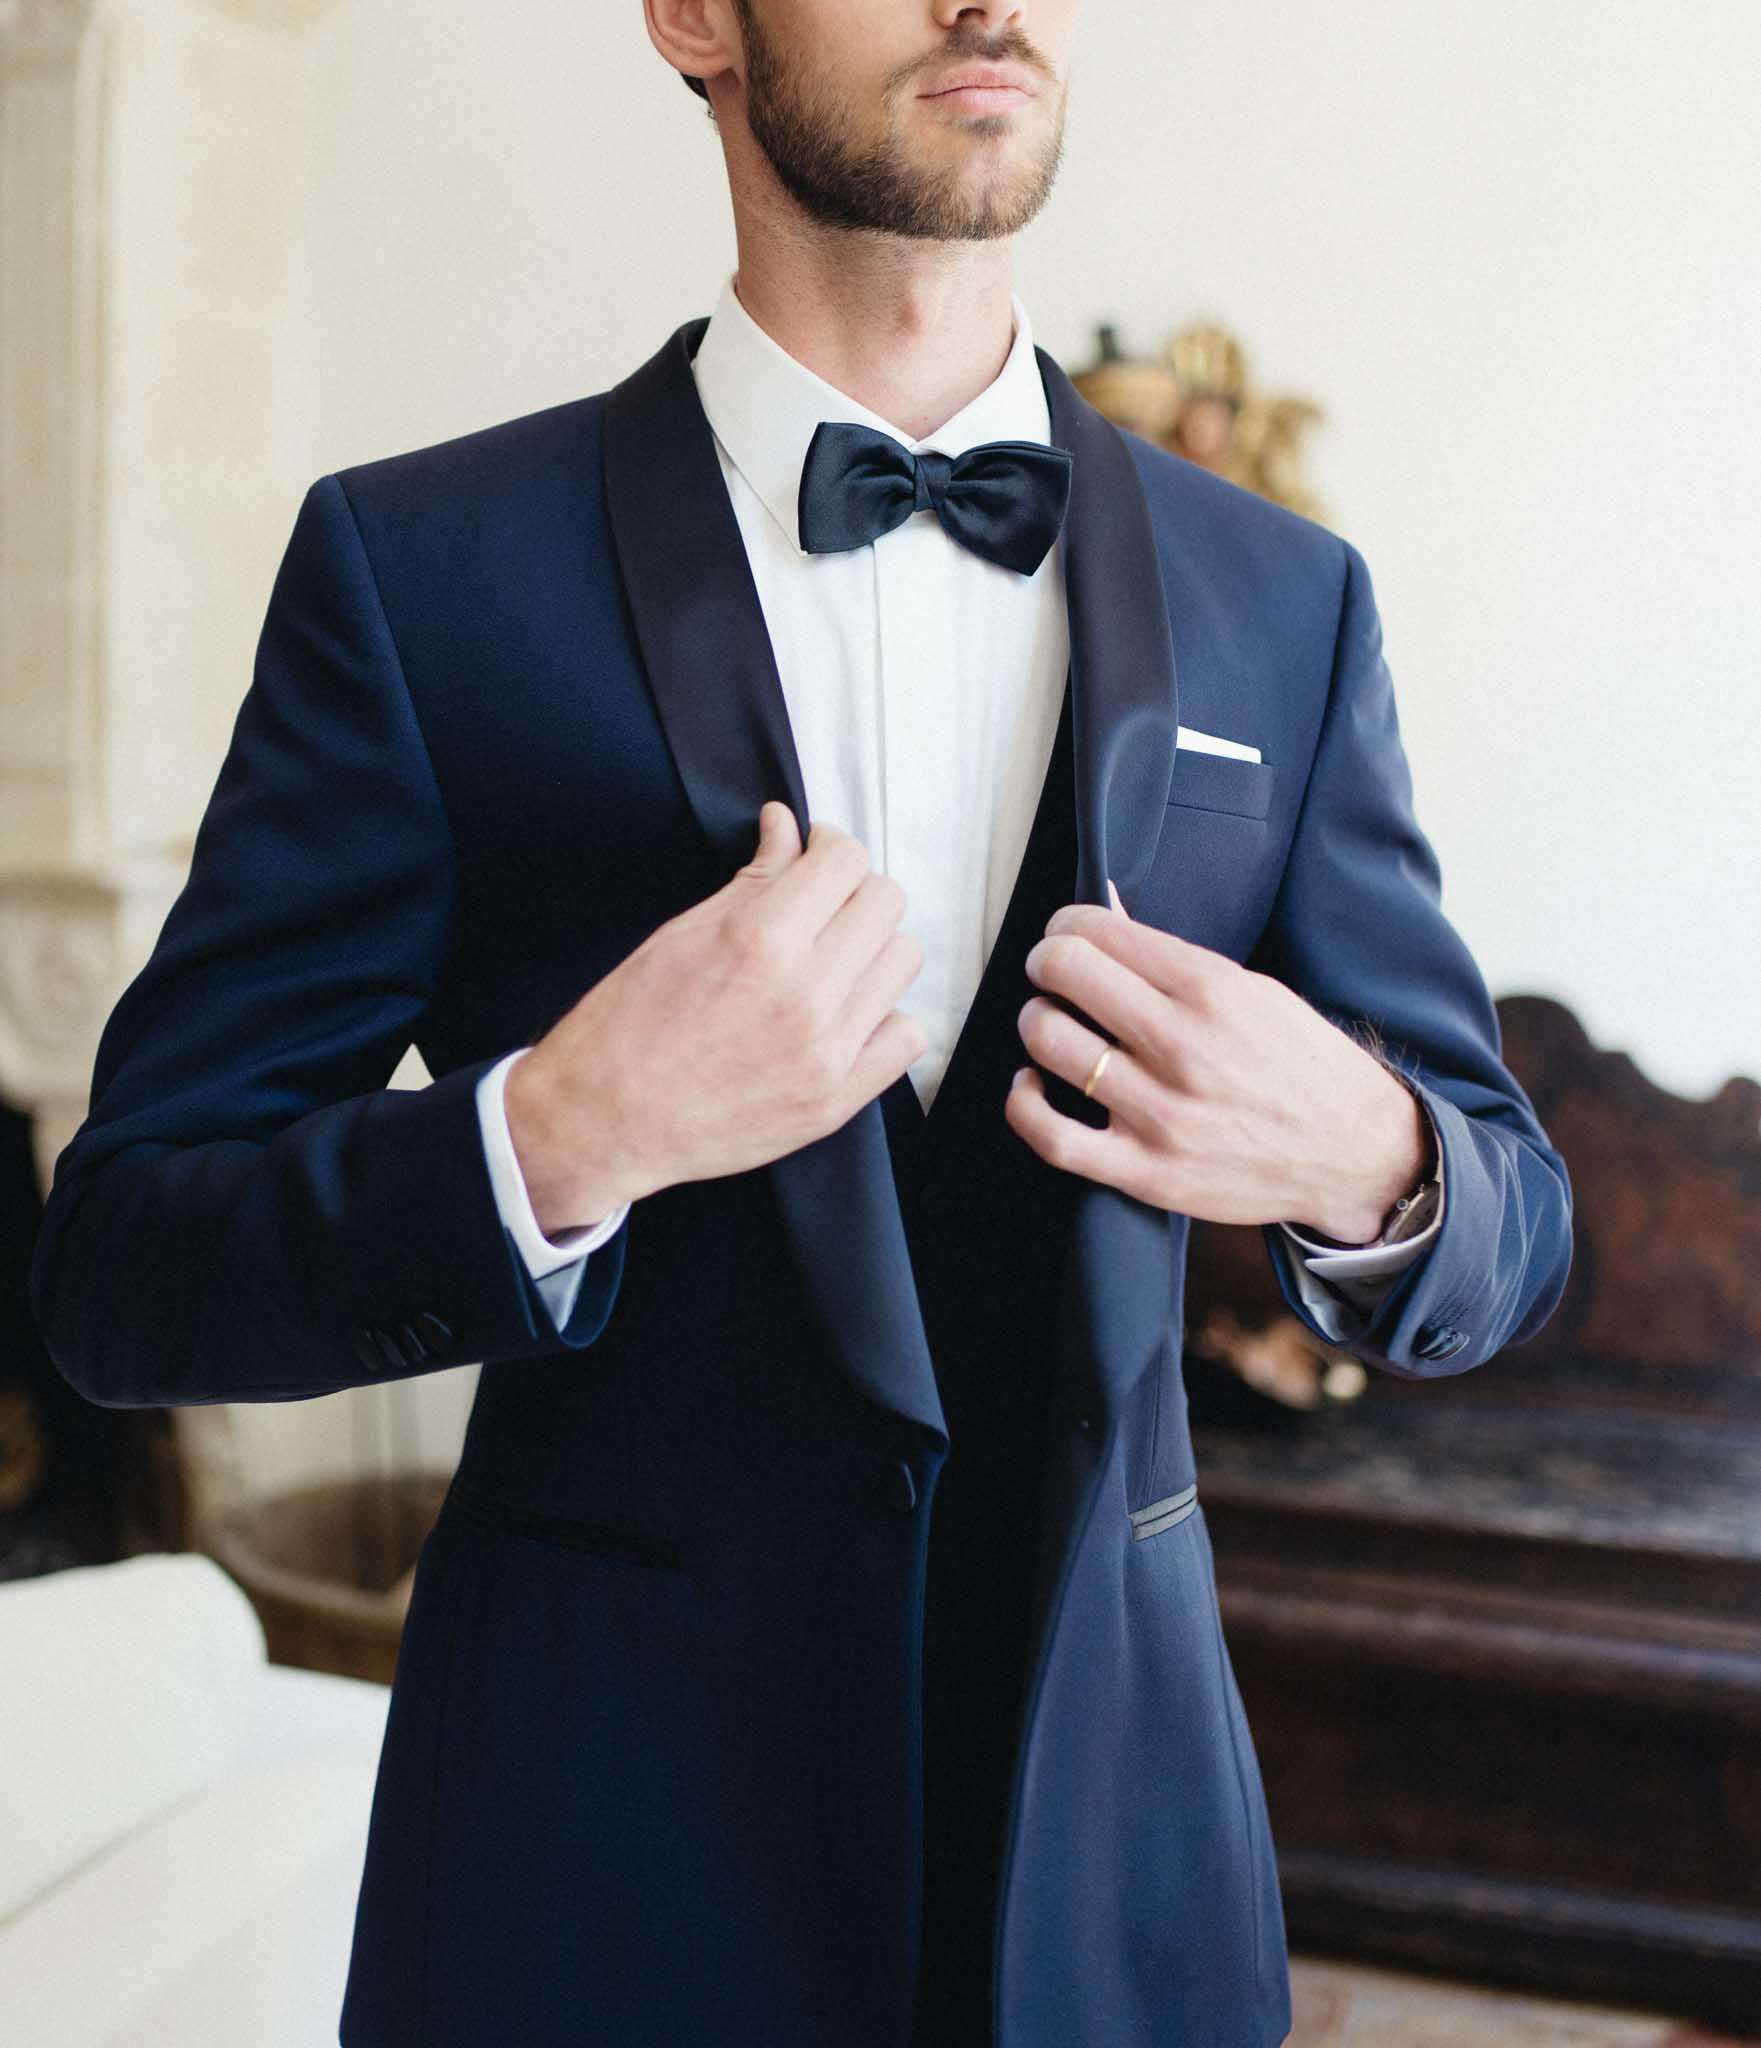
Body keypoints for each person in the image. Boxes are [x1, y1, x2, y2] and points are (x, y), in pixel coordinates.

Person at [28, 3, 1574, 2043]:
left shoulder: (1282, 602)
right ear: (692, 15)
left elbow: (1509, 1227)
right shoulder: (421, 574)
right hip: (595, 1872)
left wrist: (1365, 1156)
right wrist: (552, 1136)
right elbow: (129, 1269)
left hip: (1105, 1870)